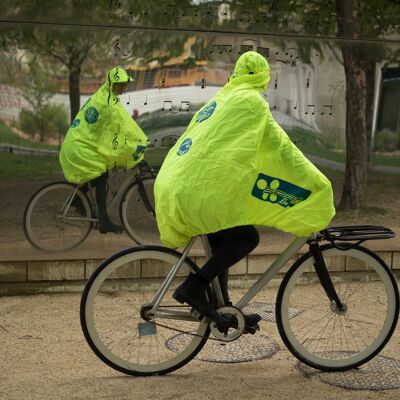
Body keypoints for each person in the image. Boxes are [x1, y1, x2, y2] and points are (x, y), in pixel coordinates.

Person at [154, 51, 335, 329]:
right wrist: (316, 181)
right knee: (246, 238)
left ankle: (222, 308)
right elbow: (282, 148)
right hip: (199, 191)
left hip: (178, 184)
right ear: (263, 77)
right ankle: (193, 287)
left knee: (224, 241)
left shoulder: (221, 98)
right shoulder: (252, 103)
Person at [60, 67, 149, 233]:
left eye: (124, 84)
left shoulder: (104, 95)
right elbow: (125, 126)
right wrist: (140, 142)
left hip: (76, 144)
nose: (123, 87)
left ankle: (78, 201)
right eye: (120, 84)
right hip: (80, 147)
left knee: (101, 173)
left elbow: (111, 129)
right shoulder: (109, 103)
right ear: (112, 84)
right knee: (101, 175)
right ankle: (104, 221)